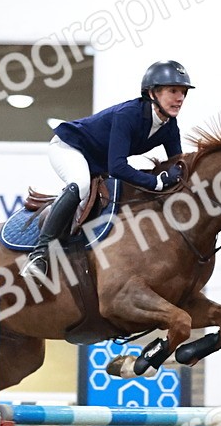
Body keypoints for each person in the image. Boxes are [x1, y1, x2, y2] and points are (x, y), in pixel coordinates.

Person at [20, 59, 195, 282]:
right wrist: (156, 182)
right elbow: (118, 167)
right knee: (81, 184)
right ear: (152, 93)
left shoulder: (169, 126)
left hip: (98, 161)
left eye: (183, 92)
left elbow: (176, 165)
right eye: (173, 91)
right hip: (69, 147)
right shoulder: (128, 115)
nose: (179, 98)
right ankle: (39, 255)